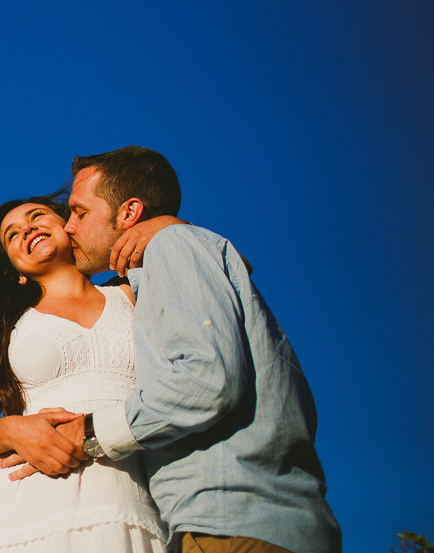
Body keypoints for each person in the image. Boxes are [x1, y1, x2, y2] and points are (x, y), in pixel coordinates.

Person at [61, 146, 340, 553]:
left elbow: (206, 380)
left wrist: (87, 432)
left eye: (80, 212)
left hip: (233, 523)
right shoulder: (182, 247)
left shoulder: (171, 245)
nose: (69, 226)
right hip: (242, 521)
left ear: (128, 213)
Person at [0, 192, 176, 552]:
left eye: (37, 216)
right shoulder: (0, 327)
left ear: (71, 224)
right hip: (23, 503)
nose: (27, 229)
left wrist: (168, 227)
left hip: (134, 489)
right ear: (13, 271)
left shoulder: (133, 293)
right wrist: (13, 430)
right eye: (12, 235)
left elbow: (220, 274)